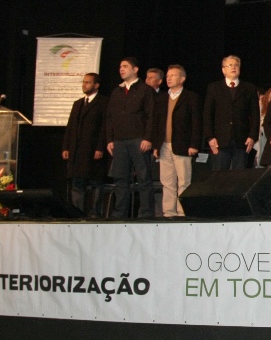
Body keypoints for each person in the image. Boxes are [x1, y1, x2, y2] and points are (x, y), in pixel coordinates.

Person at [105, 58, 156, 219]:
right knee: (121, 179)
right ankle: (120, 213)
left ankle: (146, 213)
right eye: (120, 66)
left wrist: (148, 138)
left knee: (143, 178)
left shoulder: (145, 90)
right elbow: (110, 118)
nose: (121, 69)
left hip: (138, 140)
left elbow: (151, 116)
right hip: (119, 141)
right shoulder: (116, 92)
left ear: (135, 69)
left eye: (125, 66)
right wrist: (110, 139)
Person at [151, 65, 201, 218]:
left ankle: (182, 211)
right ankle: (169, 212)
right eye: (167, 76)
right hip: (164, 145)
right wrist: (156, 145)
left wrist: (194, 144)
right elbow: (156, 123)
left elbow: (196, 122)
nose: (169, 78)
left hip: (183, 145)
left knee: (184, 181)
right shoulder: (161, 98)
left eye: (173, 75)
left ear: (182, 79)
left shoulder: (190, 97)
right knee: (167, 182)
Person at [203, 55, 260, 171]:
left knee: (239, 176)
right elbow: (207, 114)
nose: (233, 67)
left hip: (242, 140)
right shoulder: (214, 88)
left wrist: (252, 136)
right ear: (223, 70)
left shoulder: (249, 88)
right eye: (230, 65)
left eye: (236, 65)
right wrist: (209, 137)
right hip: (220, 141)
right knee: (219, 176)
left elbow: (255, 115)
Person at [61, 73, 107, 215]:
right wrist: (66, 147)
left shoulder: (103, 102)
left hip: (93, 150)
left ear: (96, 85)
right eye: (83, 82)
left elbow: (105, 127)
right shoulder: (78, 104)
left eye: (88, 82)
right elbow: (70, 127)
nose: (84, 85)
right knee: (77, 183)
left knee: (95, 183)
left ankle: (95, 213)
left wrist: (100, 147)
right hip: (77, 150)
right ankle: (77, 213)